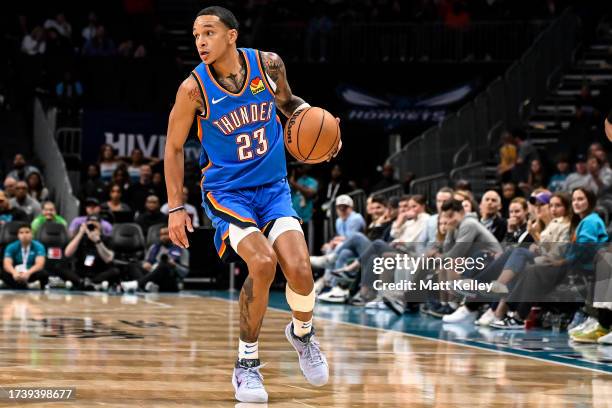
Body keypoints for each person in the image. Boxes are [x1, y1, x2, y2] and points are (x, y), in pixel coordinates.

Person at [163, 6, 341, 403]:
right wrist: (176, 206)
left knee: (300, 270)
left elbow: (289, 104)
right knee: (262, 263)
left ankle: (302, 333)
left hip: (273, 187)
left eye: (208, 33)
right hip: (227, 193)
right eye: (195, 36)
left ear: (231, 35)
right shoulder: (192, 89)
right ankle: (246, 365)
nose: (200, 42)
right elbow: (173, 148)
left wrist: (322, 127)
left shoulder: (269, 65)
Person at [120, 226, 189, 293]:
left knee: (164, 265)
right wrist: (145, 264)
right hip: (153, 276)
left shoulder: (182, 250)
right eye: (161, 235)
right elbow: (146, 261)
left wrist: (174, 265)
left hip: (170, 280)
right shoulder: (154, 247)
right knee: (133, 264)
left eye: (166, 234)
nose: (163, 237)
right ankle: (147, 286)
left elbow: (184, 273)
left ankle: (137, 284)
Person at [64, 215, 119, 290]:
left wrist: (97, 241)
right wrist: (80, 233)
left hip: (98, 271)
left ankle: (90, 282)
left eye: (95, 225)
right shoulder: (80, 238)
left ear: (100, 226)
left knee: (115, 271)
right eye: (90, 225)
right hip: (80, 271)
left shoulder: (107, 239)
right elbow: (67, 253)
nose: (92, 227)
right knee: (59, 266)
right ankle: (82, 282)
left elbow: (109, 259)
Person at [1, 225, 48, 289]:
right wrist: (14, 273)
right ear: (18, 235)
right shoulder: (11, 246)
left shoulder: (39, 246)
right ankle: (28, 286)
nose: (24, 235)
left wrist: (28, 273)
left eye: (27, 232)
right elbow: (7, 264)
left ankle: (15, 285)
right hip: (16, 274)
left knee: (44, 274)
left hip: (31, 273)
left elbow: (40, 264)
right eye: (21, 232)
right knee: (2, 272)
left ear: (32, 234)